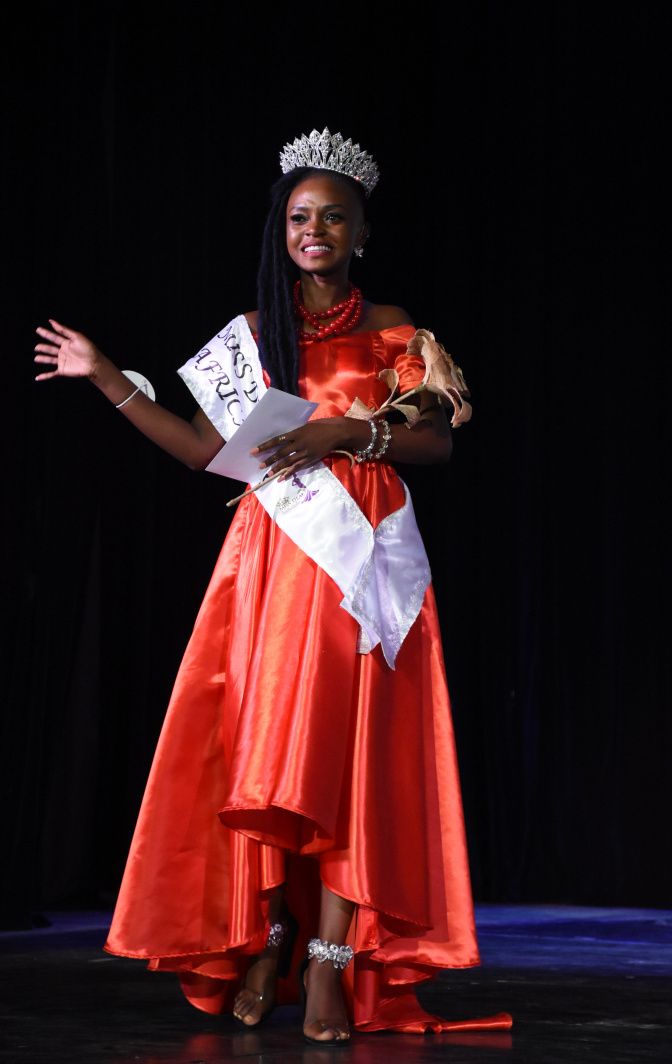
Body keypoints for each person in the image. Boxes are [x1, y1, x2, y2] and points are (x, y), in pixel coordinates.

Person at [34, 128, 511, 1045]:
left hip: (365, 560)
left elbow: (437, 442)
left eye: (335, 216)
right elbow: (206, 455)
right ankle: (266, 936)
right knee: (270, 756)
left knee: (350, 757)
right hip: (272, 567)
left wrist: (344, 436)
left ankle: (332, 964)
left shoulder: (396, 332)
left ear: (362, 232)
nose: (316, 229)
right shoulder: (254, 336)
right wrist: (104, 380)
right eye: (300, 217)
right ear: (281, 231)